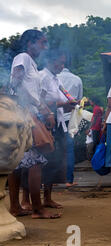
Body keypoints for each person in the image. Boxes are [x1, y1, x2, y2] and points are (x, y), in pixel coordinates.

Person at [7, 29, 60, 219]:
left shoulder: (30, 62)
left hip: (23, 112)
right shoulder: (23, 57)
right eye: (42, 43)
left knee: (17, 163)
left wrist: (43, 106)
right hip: (26, 114)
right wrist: (41, 107)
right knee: (35, 161)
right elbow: (16, 81)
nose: (44, 47)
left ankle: (15, 207)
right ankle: (37, 209)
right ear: (30, 43)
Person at [39, 49, 77, 206]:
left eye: (63, 63)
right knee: (41, 160)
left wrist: (72, 104)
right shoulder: (43, 77)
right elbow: (38, 102)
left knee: (54, 160)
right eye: (59, 63)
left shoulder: (56, 79)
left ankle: (47, 198)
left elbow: (64, 100)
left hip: (58, 122)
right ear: (49, 61)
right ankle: (31, 199)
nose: (61, 66)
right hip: (45, 122)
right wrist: (64, 104)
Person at [57, 64, 83, 187]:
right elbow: (78, 103)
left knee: (54, 148)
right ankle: (69, 180)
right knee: (69, 149)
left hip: (56, 117)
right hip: (70, 118)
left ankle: (53, 180)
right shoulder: (77, 79)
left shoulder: (54, 77)